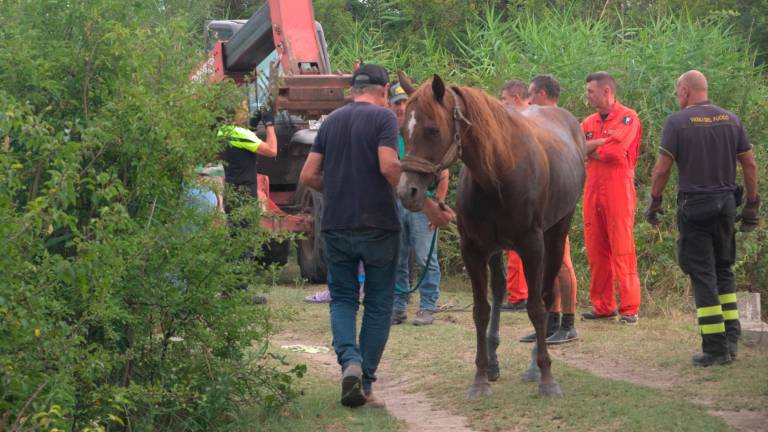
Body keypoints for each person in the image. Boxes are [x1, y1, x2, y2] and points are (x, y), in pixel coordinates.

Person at [299, 64, 454, 408]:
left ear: (352, 89)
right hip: (378, 226)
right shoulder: (384, 119)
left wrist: (340, 189)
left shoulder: (332, 121)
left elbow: (309, 174)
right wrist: (428, 205)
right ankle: (364, 380)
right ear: (384, 90)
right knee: (379, 304)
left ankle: (349, 363)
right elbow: (387, 166)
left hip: (336, 226)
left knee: (342, 299)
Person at [645, 70, 758, 367]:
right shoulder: (731, 120)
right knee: (723, 270)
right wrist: (751, 205)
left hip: (694, 207)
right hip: (725, 207)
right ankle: (731, 339)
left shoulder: (677, 122)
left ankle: (715, 348)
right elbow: (750, 165)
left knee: (702, 274)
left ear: (684, 90)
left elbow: (661, 170)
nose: (677, 97)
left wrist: (654, 202)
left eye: (677, 92)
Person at [516, 74, 579, 344]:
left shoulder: (559, 124)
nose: (528, 101)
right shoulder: (534, 125)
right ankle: (550, 320)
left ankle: (568, 322)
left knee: (562, 262)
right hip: (537, 203)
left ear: (542, 94)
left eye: (530, 94)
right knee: (543, 263)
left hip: (555, 203)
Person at [581, 71, 642, 325]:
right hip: (592, 188)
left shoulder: (628, 117)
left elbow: (616, 153)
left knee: (622, 248)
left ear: (606, 91)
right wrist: (599, 144)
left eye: (591, 92)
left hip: (618, 189)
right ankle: (603, 306)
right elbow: (577, 149)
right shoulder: (587, 122)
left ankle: (630, 308)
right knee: (596, 249)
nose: (587, 96)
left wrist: (592, 147)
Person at [389, 81, 450, 326]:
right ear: (390, 105)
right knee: (399, 256)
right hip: (397, 202)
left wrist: (439, 204)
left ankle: (428, 306)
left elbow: (443, 172)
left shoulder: (421, 132)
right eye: (397, 103)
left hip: (423, 202)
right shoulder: (393, 135)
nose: (401, 107)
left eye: (405, 102)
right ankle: (399, 306)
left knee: (425, 257)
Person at [499, 79, 531, 312]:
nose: (502, 105)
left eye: (505, 100)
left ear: (517, 100)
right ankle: (517, 294)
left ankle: (520, 295)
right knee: (513, 249)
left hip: (526, 192)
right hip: (513, 190)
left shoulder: (528, 122)